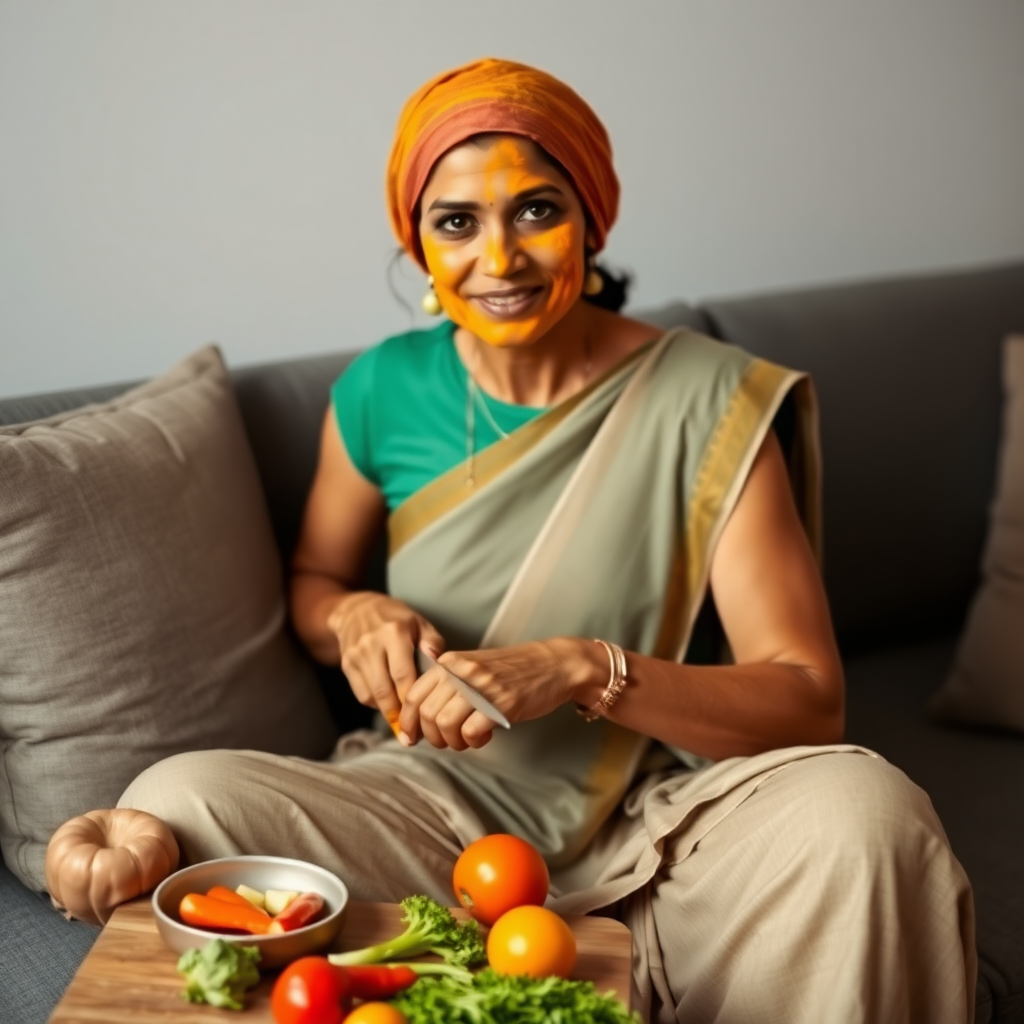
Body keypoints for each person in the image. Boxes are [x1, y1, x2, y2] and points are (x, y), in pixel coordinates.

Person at [119, 58, 976, 1022]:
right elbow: (315, 581)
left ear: (592, 220)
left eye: (536, 210)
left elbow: (809, 705)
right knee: (181, 795)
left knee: (864, 816)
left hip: (674, 820)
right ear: (418, 244)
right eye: (457, 222)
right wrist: (355, 611)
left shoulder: (709, 399)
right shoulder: (377, 391)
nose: (500, 257)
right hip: (432, 805)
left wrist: (583, 667)